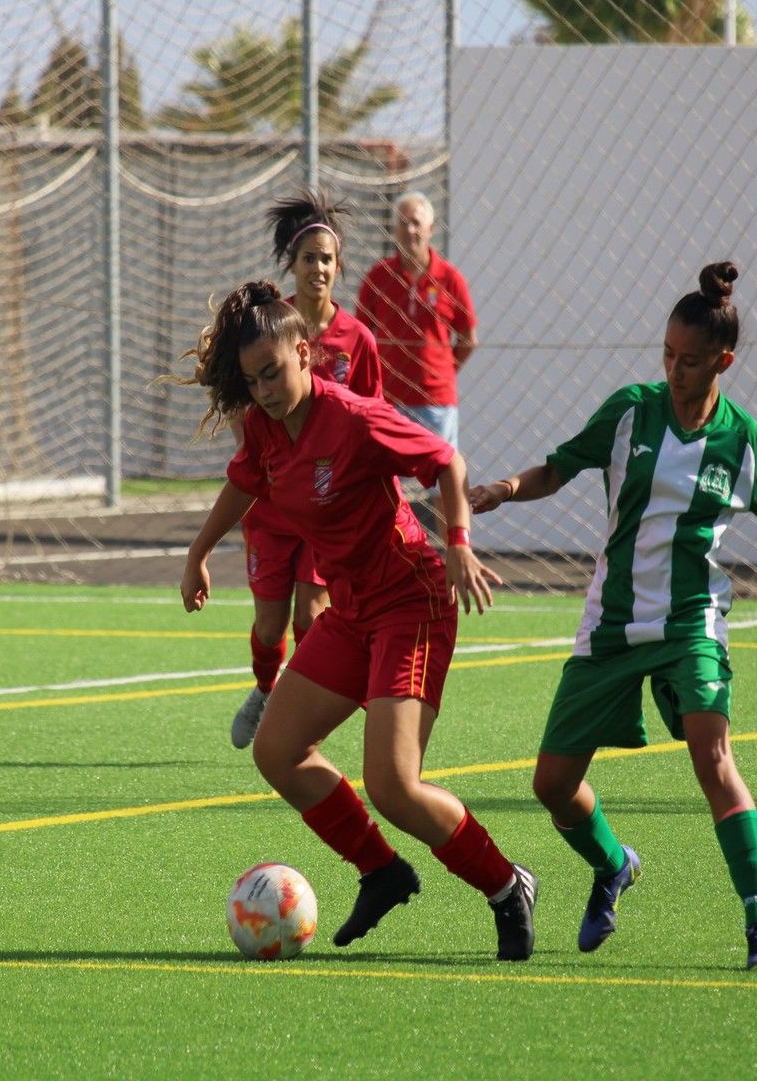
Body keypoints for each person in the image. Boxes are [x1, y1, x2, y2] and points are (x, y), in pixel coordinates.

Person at [470, 262, 757, 971]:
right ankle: (613, 864)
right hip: (611, 623)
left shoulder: (741, 441)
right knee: (551, 786)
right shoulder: (632, 411)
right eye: (667, 354)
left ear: (723, 362)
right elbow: (561, 466)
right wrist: (506, 489)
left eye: (689, 361)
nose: (674, 369)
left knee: (712, 754)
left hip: (692, 623)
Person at [176, 279, 538, 960]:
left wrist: (458, 543)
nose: (264, 391)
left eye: (273, 374)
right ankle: (382, 870)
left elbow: (446, 462)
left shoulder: (353, 417)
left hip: (411, 602)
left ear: (306, 354)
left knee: (395, 785)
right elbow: (245, 480)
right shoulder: (263, 426)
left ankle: (506, 884)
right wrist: (198, 551)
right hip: (352, 612)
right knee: (276, 752)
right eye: (252, 381)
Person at [228, 189, 384, 750]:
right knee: (269, 627)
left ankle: (297, 716)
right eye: (307, 258)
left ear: (338, 267)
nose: (318, 267)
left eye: (327, 258)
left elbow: (373, 423)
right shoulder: (269, 326)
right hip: (272, 507)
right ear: (290, 265)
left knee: (312, 615)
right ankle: (267, 687)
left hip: (328, 510)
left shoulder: (357, 340)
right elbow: (237, 397)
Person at [355, 193, 477, 533]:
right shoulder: (378, 277)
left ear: (431, 229)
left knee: (445, 483)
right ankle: (387, 556)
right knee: (380, 482)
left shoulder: (450, 278)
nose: (410, 230)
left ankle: (455, 553)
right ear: (393, 229)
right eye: (403, 223)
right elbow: (361, 334)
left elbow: (468, 338)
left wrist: (443, 370)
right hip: (387, 402)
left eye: (416, 223)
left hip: (436, 402)